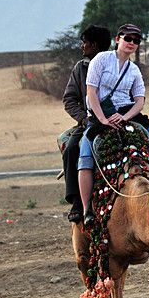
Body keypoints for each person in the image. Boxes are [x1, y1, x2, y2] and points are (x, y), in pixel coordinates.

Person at [78, 23, 149, 226]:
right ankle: (86, 210)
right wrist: (102, 119)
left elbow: (139, 101)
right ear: (118, 39)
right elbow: (91, 92)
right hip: (100, 114)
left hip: (124, 114)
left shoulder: (135, 70)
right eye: (128, 38)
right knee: (85, 152)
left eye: (136, 41)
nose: (132, 43)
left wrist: (125, 118)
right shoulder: (101, 59)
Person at [62, 25, 111, 223]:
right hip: (89, 122)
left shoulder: (118, 65)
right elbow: (70, 99)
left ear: (95, 45)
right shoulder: (80, 68)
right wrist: (84, 119)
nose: (82, 46)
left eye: (85, 43)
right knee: (72, 148)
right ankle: (76, 201)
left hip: (118, 119)